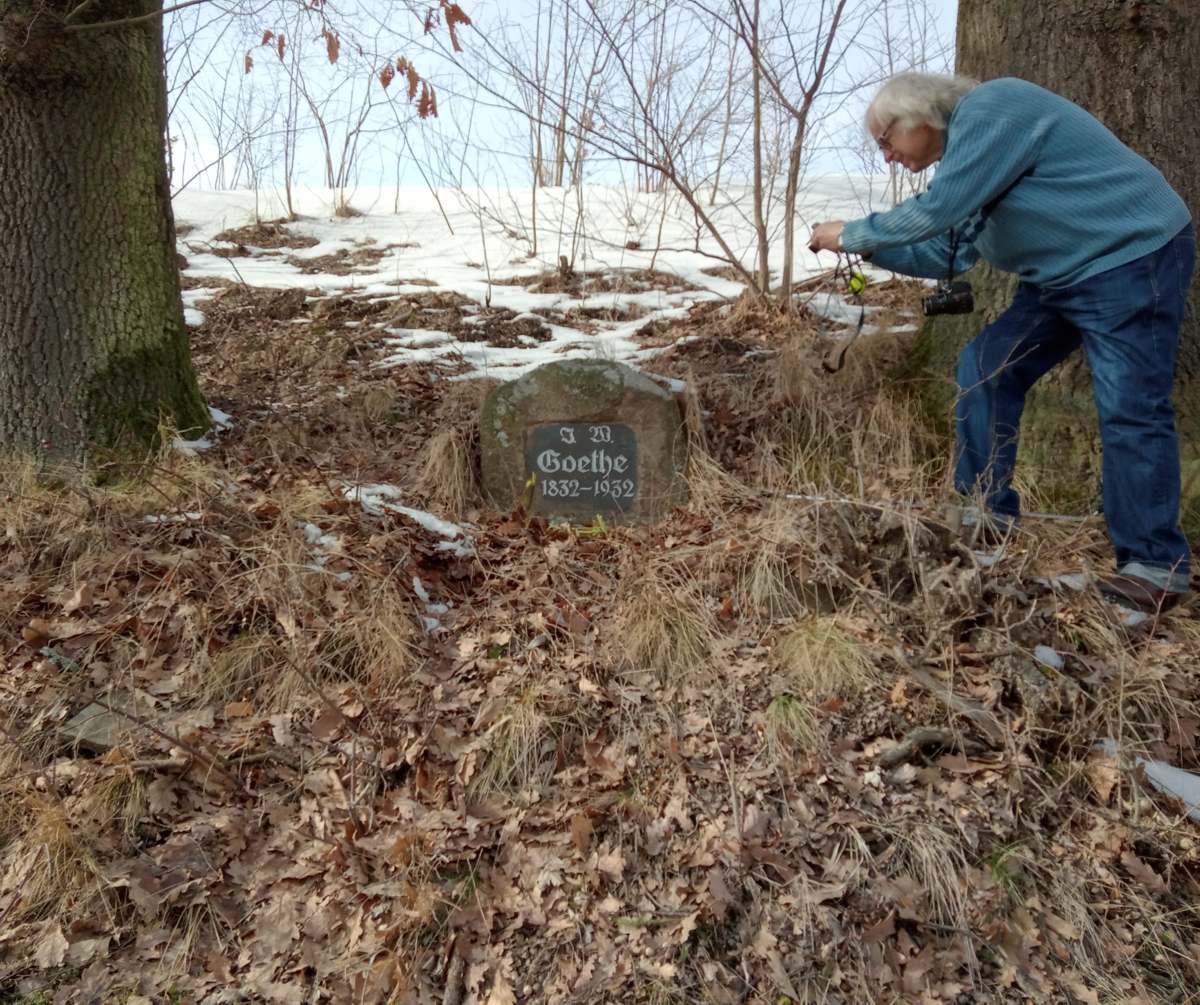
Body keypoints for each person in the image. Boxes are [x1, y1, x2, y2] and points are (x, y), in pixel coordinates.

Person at [809, 72, 1195, 612]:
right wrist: (864, 251)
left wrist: (851, 232)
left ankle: (1154, 568)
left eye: (885, 139)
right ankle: (985, 519)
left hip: (1130, 259)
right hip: (1058, 281)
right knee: (986, 366)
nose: (888, 155)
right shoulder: (970, 168)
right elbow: (946, 252)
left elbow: (936, 211)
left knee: (1130, 407)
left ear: (919, 115)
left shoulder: (993, 109)